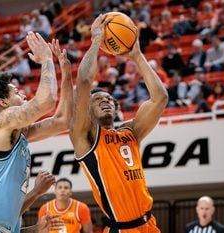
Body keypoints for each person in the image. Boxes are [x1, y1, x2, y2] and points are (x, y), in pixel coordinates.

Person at [0, 32, 73, 233]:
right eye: (15, 92)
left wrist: (66, 73)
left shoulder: (18, 133)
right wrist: (46, 59)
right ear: (3, 102)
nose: (22, 93)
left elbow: (62, 121)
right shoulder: (3, 122)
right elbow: (45, 102)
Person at [69, 14, 168, 233]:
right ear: (88, 110)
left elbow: (160, 98)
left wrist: (137, 55)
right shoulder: (84, 137)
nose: (105, 101)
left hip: (150, 226)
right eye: (98, 100)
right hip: (121, 229)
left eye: (109, 99)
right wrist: (96, 41)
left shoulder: (131, 131)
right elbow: (84, 82)